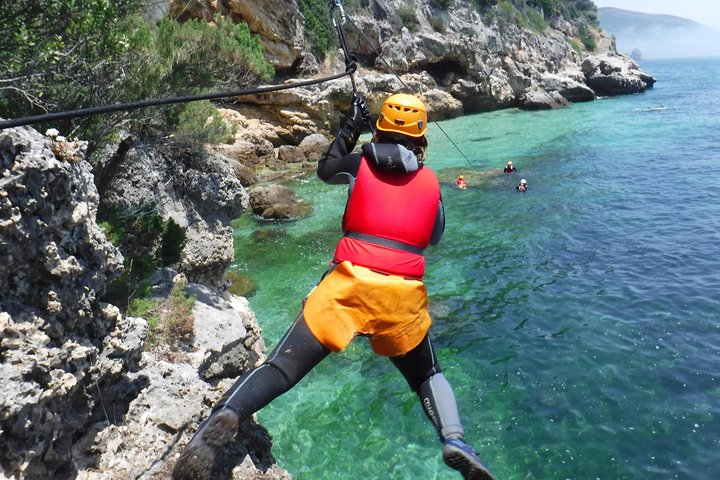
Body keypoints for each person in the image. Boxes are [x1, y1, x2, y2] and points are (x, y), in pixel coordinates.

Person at [171, 93, 495, 480]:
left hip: (347, 284)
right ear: (421, 137)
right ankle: (454, 438)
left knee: (281, 367)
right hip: (401, 296)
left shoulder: (359, 163)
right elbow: (435, 235)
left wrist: (350, 127)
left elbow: (325, 169)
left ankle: (221, 423)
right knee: (427, 375)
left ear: (380, 128)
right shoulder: (430, 183)